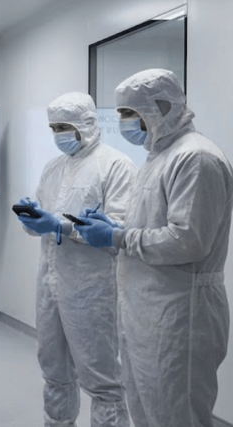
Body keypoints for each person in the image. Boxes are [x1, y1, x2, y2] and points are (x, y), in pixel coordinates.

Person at [75, 69, 232, 427]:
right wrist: (114, 227)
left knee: (177, 414)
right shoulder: (158, 157)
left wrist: (116, 238)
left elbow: (187, 241)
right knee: (145, 409)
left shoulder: (196, 158)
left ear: (160, 107)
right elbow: (152, 226)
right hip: (147, 310)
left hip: (181, 314)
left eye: (128, 113)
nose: (123, 122)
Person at [15, 92, 134, 427]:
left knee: (102, 376)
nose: (58, 134)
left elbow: (120, 229)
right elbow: (42, 222)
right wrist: (33, 217)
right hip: (50, 283)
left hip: (93, 288)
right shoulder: (53, 168)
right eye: (53, 128)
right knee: (54, 369)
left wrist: (61, 227)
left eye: (64, 127)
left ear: (88, 124)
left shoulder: (116, 165)